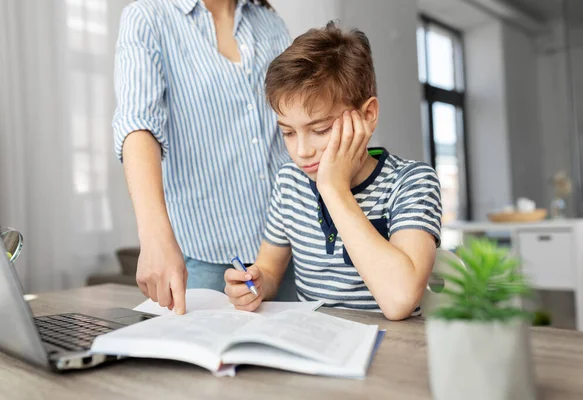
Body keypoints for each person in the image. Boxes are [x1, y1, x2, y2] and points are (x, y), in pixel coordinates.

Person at [224, 21, 443, 320]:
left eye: (321, 129)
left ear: (367, 115)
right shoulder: (290, 182)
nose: (302, 151)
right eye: (288, 132)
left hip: (394, 349)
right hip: (315, 342)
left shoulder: (412, 182)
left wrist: (334, 188)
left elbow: (399, 300)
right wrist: (257, 283)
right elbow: (271, 270)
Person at [112, 0, 296, 315]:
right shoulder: (148, 17)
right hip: (201, 257)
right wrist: (154, 236)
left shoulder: (270, 24)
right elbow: (138, 125)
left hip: (286, 251)